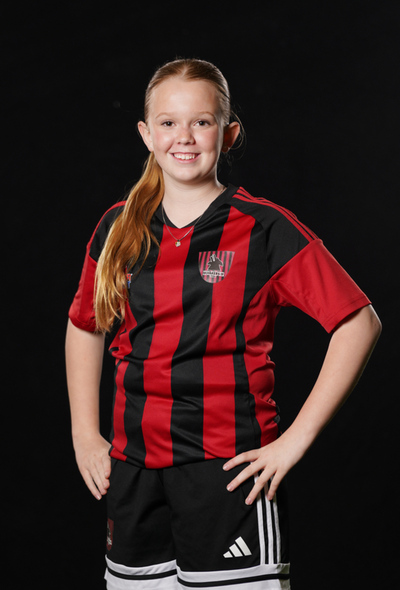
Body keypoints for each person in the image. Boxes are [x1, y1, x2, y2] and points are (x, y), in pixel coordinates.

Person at [65, 58, 381, 590]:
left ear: (228, 133)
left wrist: (294, 441)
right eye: (168, 122)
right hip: (132, 470)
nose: (184, 137)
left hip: (229, 473)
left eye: (202, 122)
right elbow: (84, 324)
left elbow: (359, 322)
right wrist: (83, 433)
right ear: (146, 134)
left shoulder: (263, 228)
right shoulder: (118, 227)